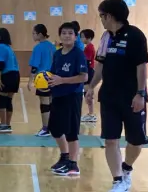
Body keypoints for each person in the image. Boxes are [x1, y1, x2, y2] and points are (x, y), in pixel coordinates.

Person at [85, 0, 148, 192]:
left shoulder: (135, 36)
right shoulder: (105, 37)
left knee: (136, 141)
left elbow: (141, 67)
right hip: (109, 97)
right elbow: (100, 65)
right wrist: (91, 86)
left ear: (110, 16)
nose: (101, 19)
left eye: (102, 15)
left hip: (132, 97)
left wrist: (140, 94)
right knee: (110, 139)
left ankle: (126, 167)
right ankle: (118, 180)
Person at [47, 21, 89, 177]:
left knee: (71, 131)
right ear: (60, 35)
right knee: (55, 129)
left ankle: (73, 164)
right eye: (64, 33)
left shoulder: (78, 54)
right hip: (58, 95)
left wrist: (62, 80)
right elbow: (52, 74)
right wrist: (46, 82)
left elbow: (83, 77)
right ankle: (64, 157)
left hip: (72, 96)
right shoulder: (57, 54)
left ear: (75, 36)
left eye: (70, 33)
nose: (67, 36)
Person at [29, 23, 56, 137]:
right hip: (53, 77)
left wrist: (30, 81)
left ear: (40, 34)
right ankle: (52, 127)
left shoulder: (38, 47)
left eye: (34, 33)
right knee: (51, 103)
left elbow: (34, 66)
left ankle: (45, 129)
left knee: (44, 104)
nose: (33, 36)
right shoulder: (52, 46)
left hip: (42, 79)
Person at [0, 28, 20, 133]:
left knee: (1, 99)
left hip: (7, 75)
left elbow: (1, 65)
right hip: (15, 75)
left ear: (0, 37)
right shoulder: (9, 48)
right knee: (8, 100)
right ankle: (7, 125)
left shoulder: (0, 47)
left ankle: (3, 125)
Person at [80, 28, 98, 122]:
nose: (81, 39)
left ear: (89, 38)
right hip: (89, 71)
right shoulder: (88, 47)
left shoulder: (89, 48)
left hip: (88, 72)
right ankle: (91, 114)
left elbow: (86, 62)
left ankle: (91, 114)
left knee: (88, 94)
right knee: (87, 93)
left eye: (83, 37)